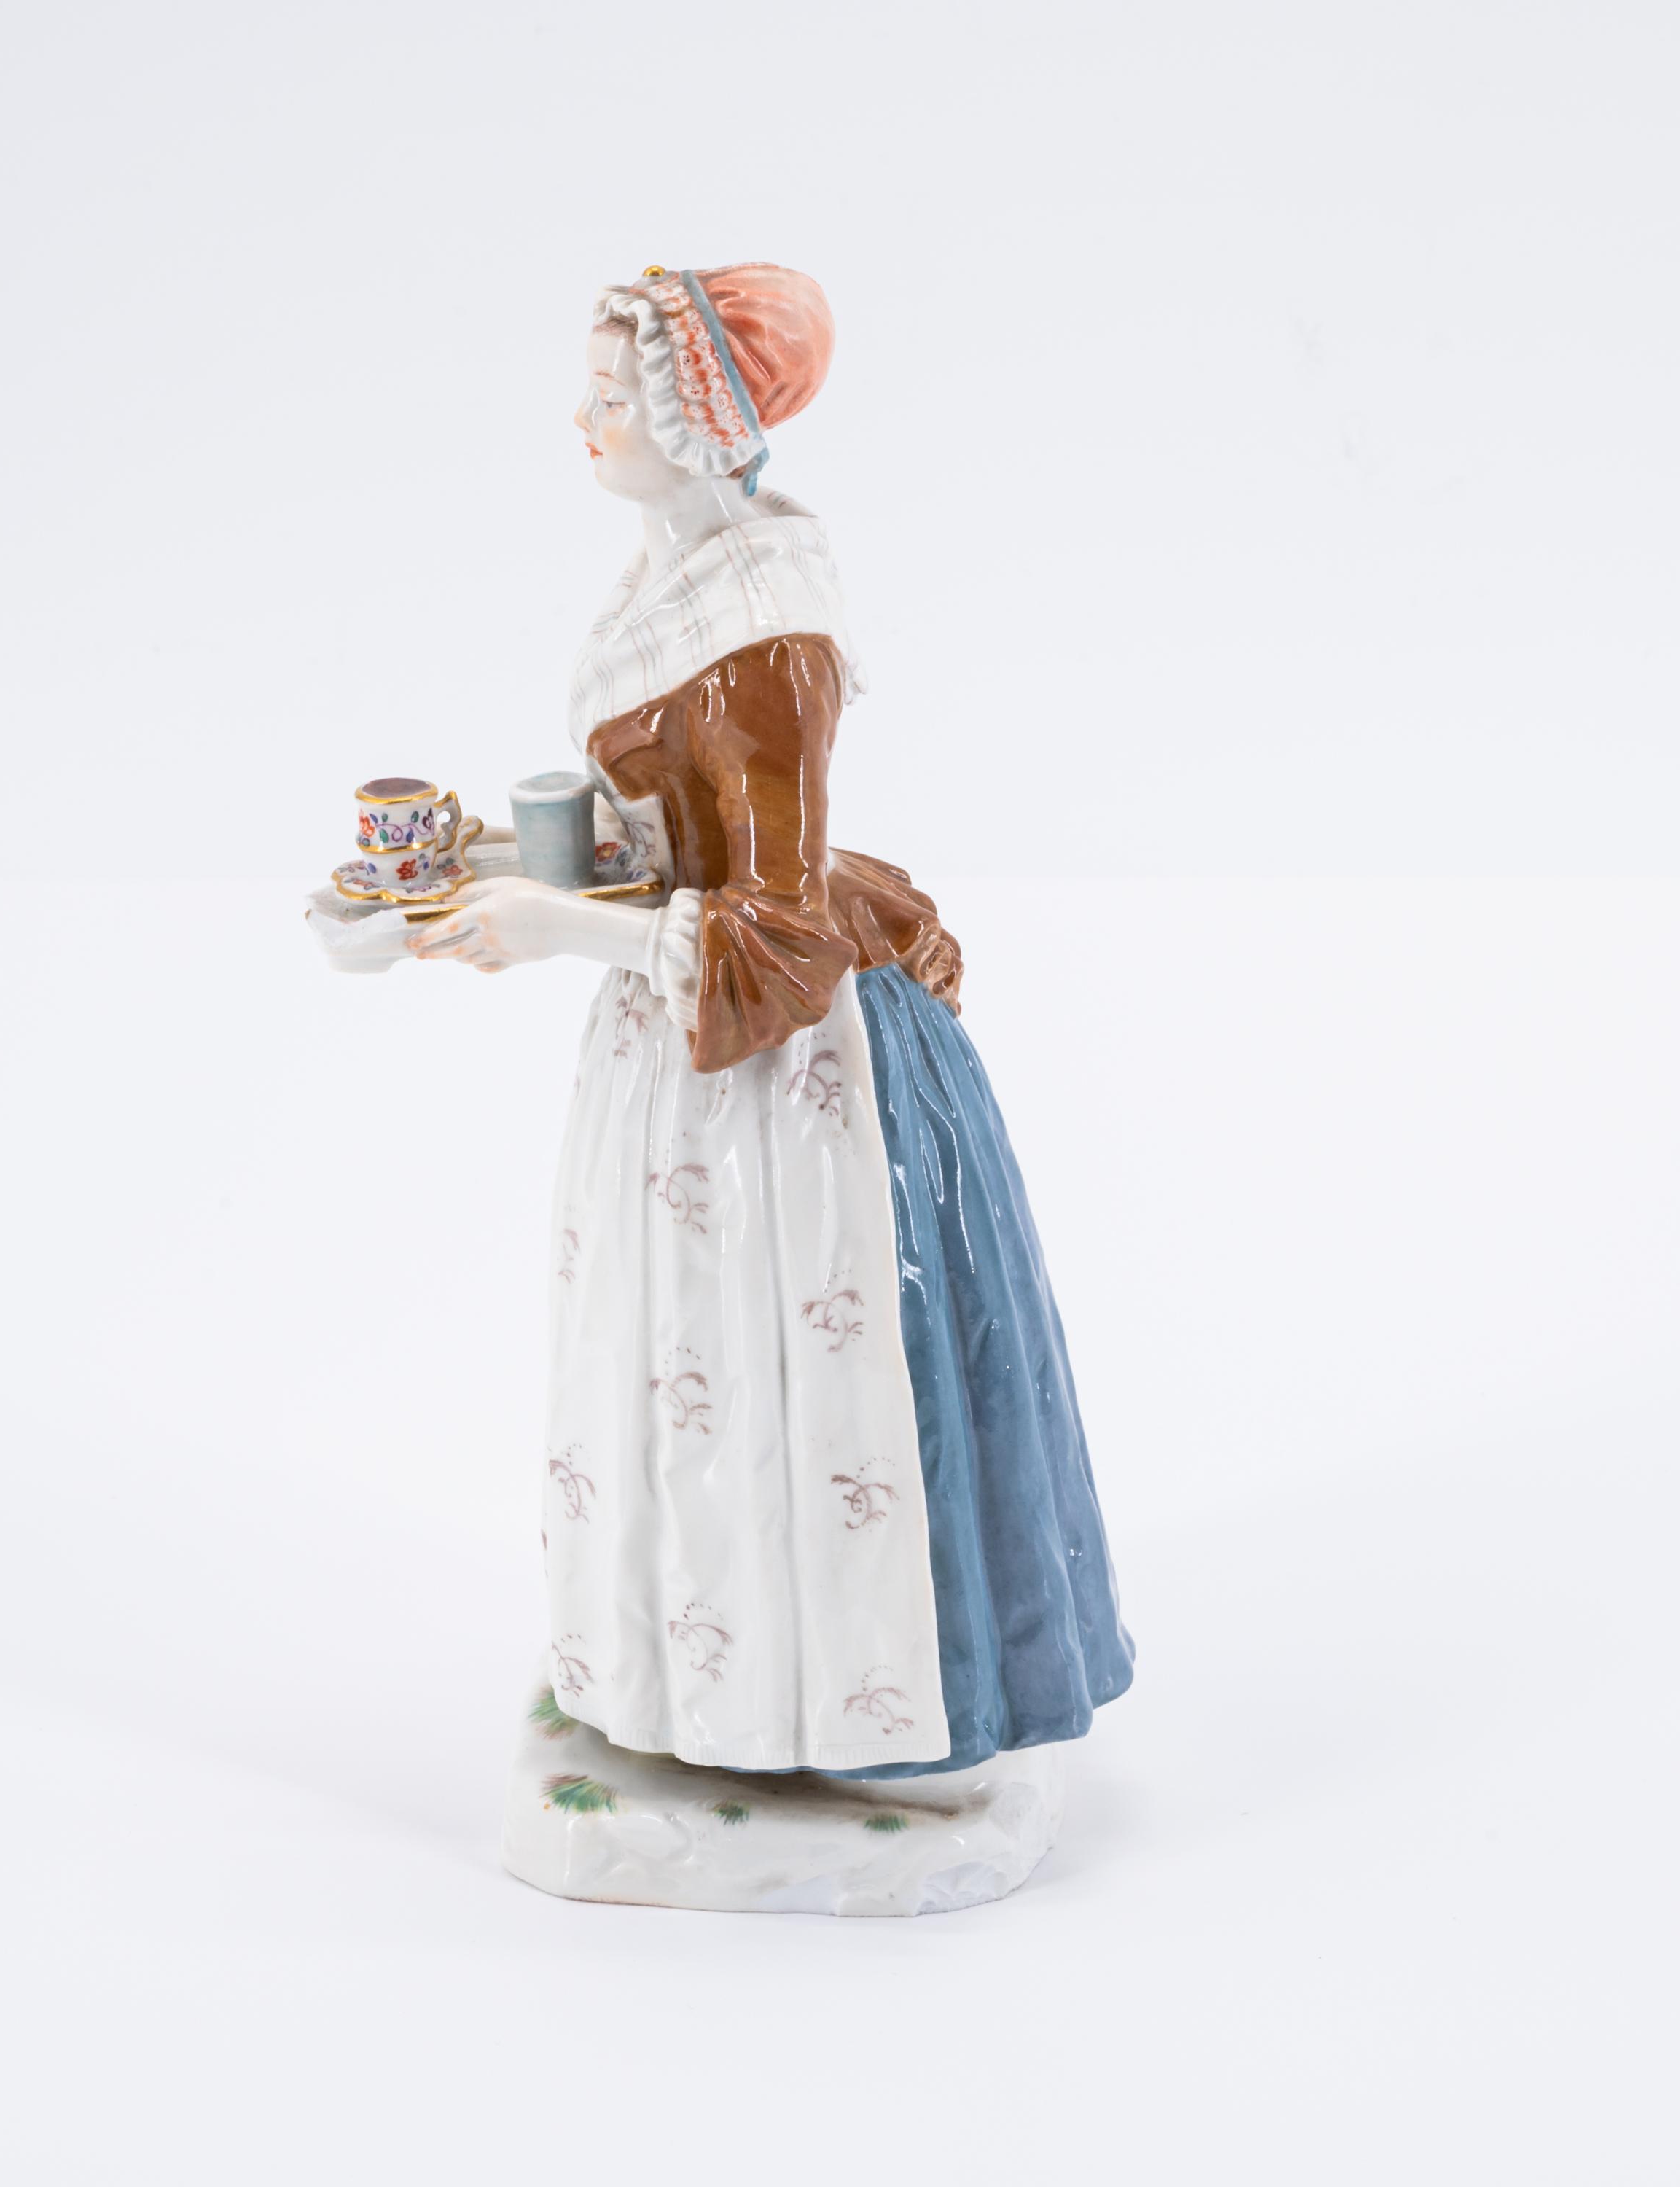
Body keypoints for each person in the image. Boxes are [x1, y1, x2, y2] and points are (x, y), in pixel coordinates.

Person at [408, 264, 1133, 1778]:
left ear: (694, 423)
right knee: (674, 1366)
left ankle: (848, 1705)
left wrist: (554, 930)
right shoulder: (666, 582)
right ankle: (696, 1688)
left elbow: (784, 933)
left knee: (793, 1373)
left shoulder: (763, 634)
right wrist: (498, 862)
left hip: (784, 1077)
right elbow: (666, 836)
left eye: (615, 397)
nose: (585, 419)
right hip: (671, 1048)